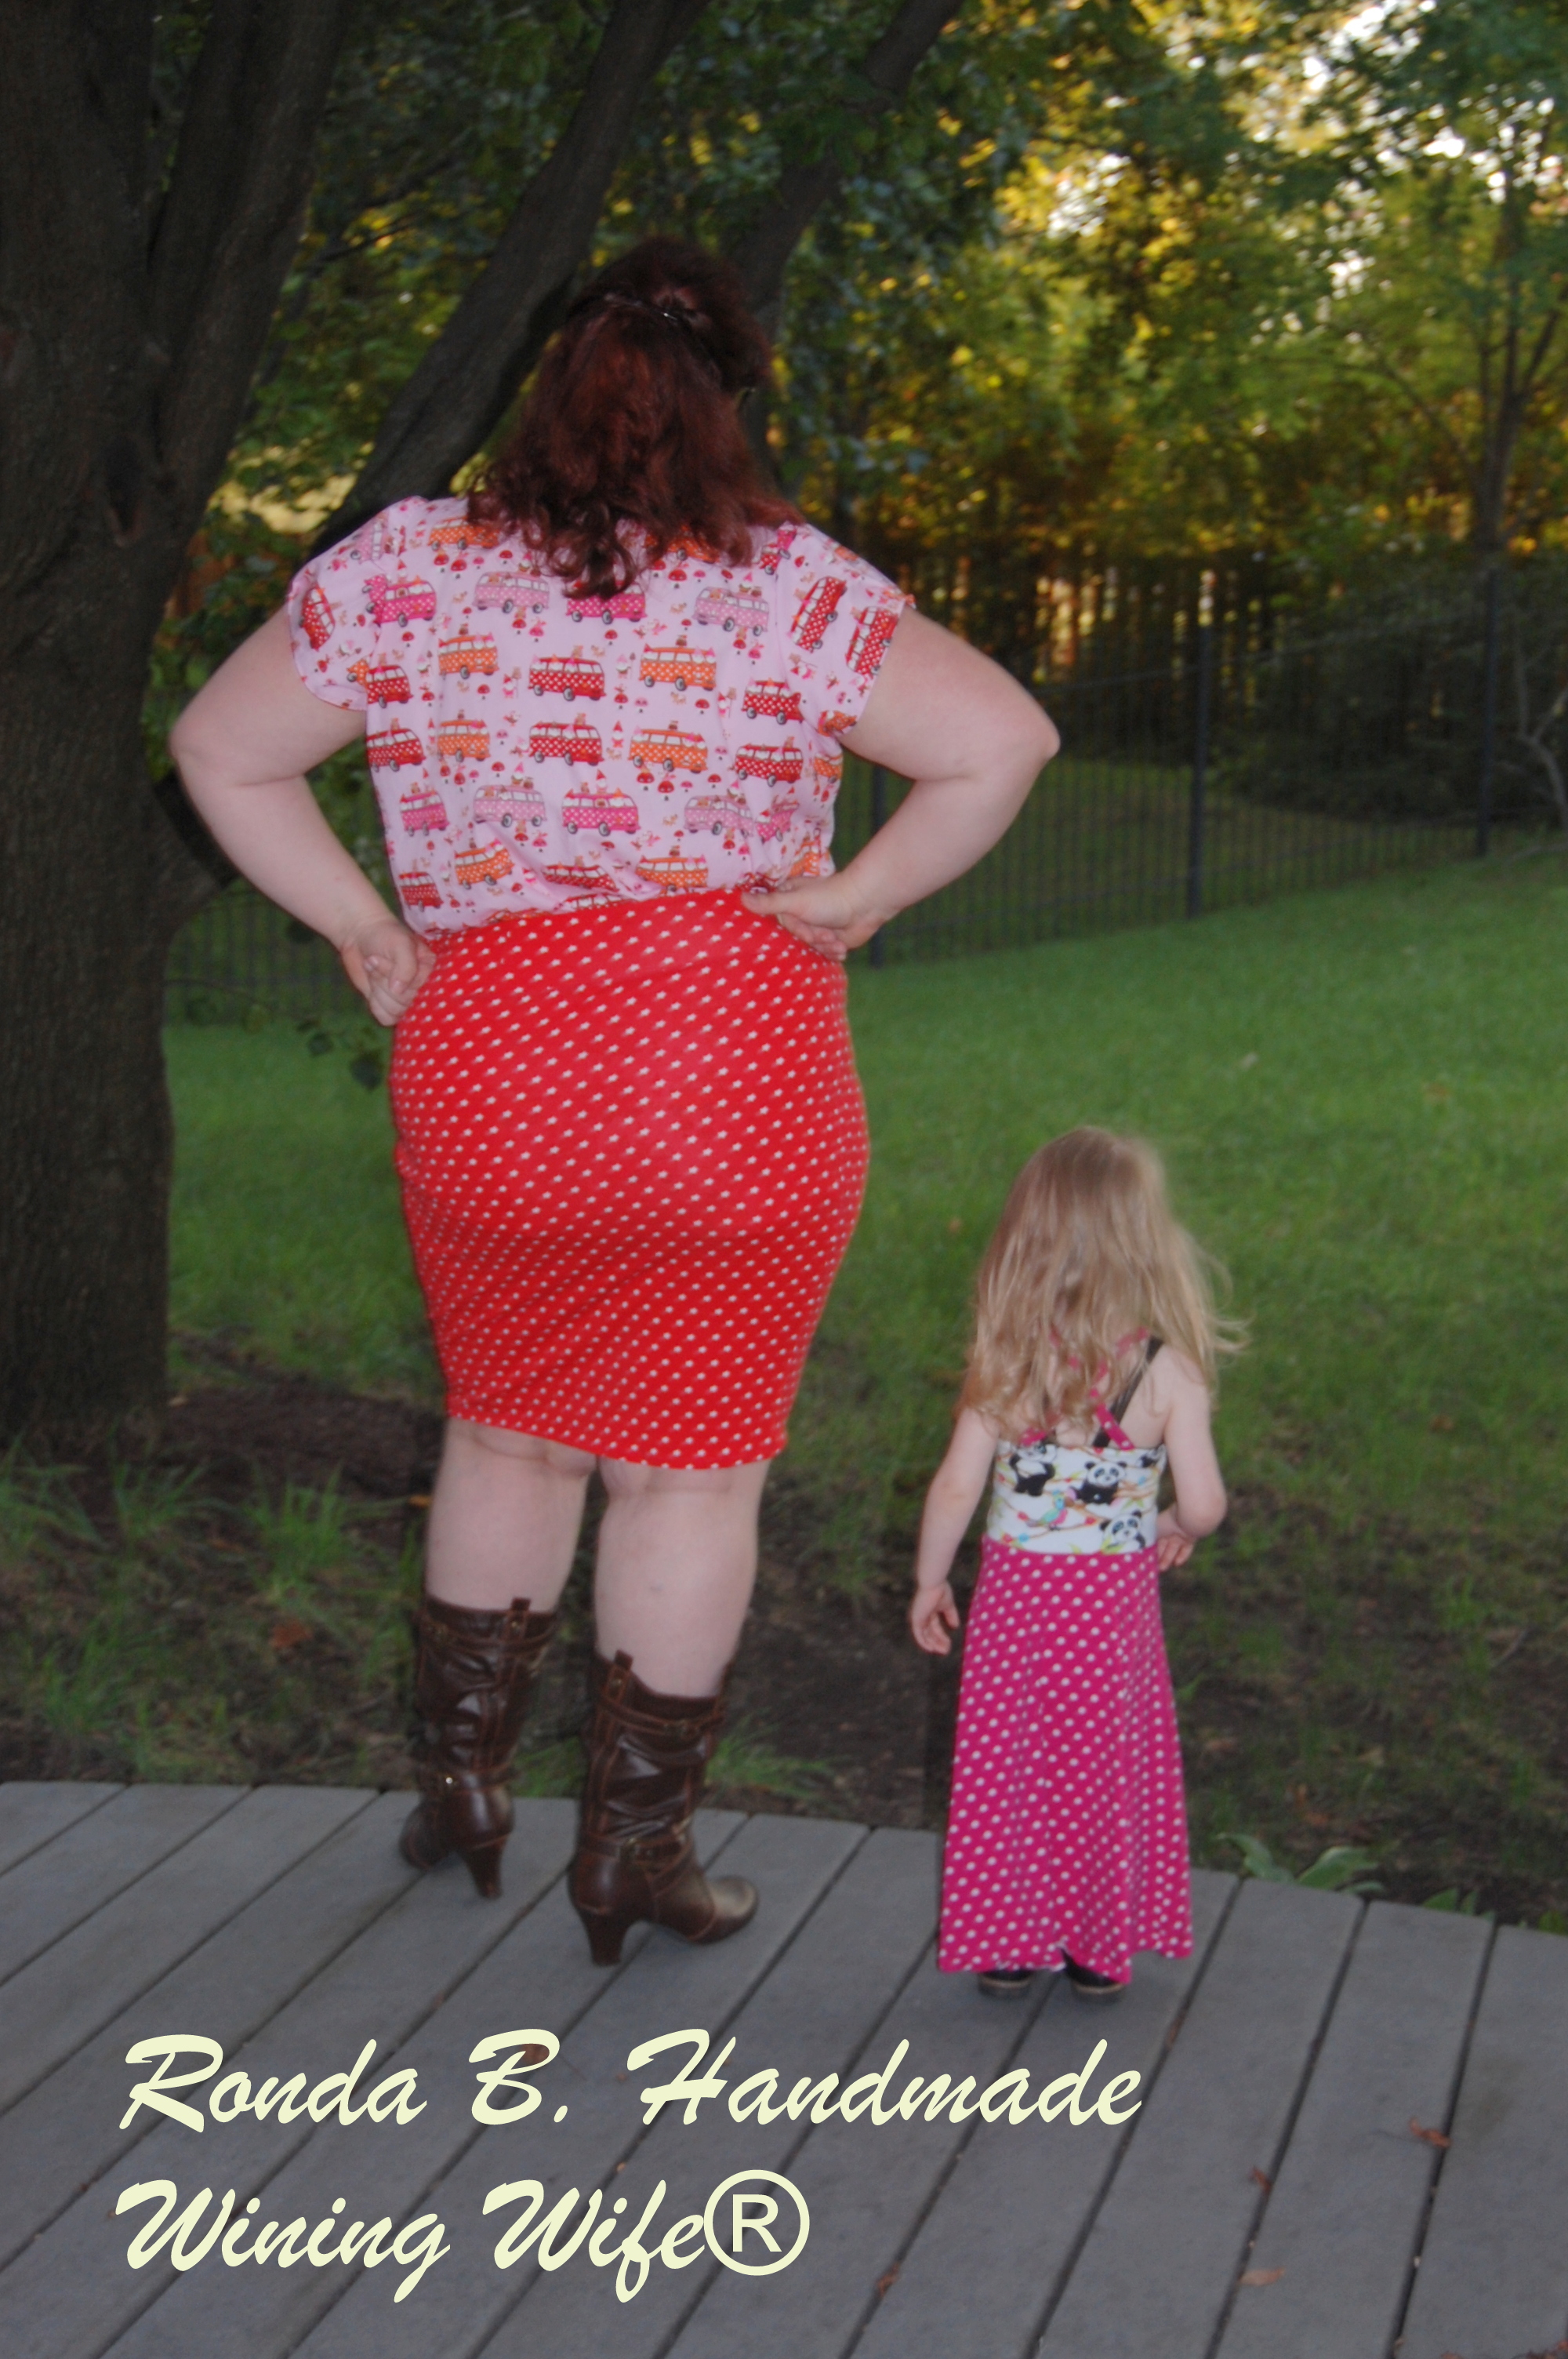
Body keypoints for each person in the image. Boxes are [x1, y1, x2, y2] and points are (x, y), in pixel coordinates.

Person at [172, 235, 1058, 1968]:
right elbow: (1003, 740)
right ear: (720, 409)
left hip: (490, 1068)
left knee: (503, 1430)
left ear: (547, 392)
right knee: (688, 1480)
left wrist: (362, 922)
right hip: (735, 1073)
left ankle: (463, 1787)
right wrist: (855, 897)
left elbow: (220, 747)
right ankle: (635, 1856)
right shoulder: (785, 586)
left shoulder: (412, 569)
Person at [909, 1128, 1234, 2002]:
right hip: (1108, 1615)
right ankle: (1095, 1946)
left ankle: (1010, 1944)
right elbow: (1206, 1503)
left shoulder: (1008, 1359)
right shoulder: (1169, 1372)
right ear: (1148, 1240)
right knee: (1099, 1766)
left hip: (1016, 1609)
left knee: (1010, 1766)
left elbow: (954, 1487)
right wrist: (1172, 1521)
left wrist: (930, 1581)